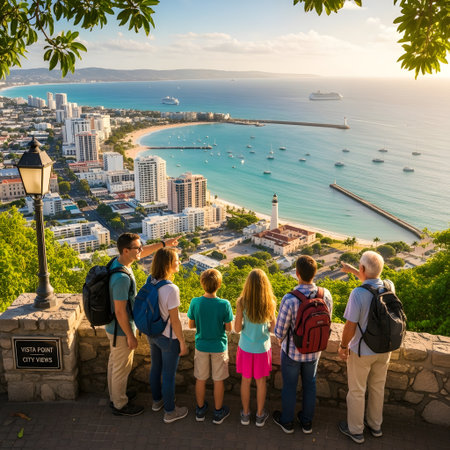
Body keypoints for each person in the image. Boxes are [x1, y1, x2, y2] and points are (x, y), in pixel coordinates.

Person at [106, 233, 178, 416]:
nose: (141, 251)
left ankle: (115, 395)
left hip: (113, 328)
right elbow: (120, 310)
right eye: (137, 248)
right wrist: (130, 335)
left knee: (115, 364)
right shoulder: (121, 278)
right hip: (120, 330)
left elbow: (143, 251)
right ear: (126, 250)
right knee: (121, 368)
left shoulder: (118, 263)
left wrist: (163, 244)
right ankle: (119, 405)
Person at [273, 255, 333, 434]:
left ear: (297, 274)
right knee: (310, 385)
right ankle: (306, 423)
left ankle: (287, 422)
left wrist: (280, 340)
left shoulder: (290, 298)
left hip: (292, 352)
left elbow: (279, 331)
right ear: (315, 274)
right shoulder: (325, 295)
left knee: (290, 386)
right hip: (314, 351)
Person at [338, 251, 393, 444]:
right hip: (384, 349)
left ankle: (356, 430)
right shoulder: (389, 286)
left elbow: (350, 326)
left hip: (362, 351)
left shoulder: (357, 294)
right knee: (377, 388)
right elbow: (371, 277)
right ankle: (375, 425)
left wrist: (343, 346)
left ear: (362, 269)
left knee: (357, 390)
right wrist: (353, 270)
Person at [149, 247, 189, 423]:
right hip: (168, 338)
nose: (179, 262)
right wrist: (182, 341)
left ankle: (157, 402)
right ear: (168, 265)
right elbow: (175, 321)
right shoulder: (171, 289)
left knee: (155, 368)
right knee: (168, 375)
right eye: (177, 260)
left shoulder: (150, 281)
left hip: (152, 333)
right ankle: (170, 412)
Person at [187, 269, 233, 424]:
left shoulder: (195, 302)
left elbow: (191, 325)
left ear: (202, 283)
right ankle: (218, 412)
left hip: (201, 345)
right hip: (218, 346)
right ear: (219, 285)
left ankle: (200, 410)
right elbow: (229, 328)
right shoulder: (224, 304)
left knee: (200, 378)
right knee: (218, 380)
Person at [234, 269, 276, 427]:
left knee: (245, 381)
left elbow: (237, 328)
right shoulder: (270, 302)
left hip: (245, 347)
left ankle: (245, 414)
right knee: (261, 383)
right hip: (262, 349)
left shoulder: (242, 302)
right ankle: (259, 415)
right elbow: (274, 329)